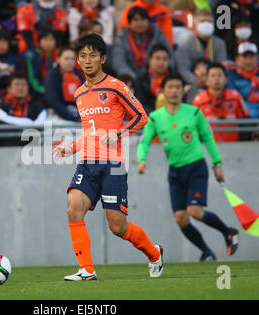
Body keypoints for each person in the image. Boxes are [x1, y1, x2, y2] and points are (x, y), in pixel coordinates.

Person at [52, 33, 163, 281]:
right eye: (83, 56)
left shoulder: (116, 87)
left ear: (103, 58)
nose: (87, 60)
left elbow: (142, 117)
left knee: (117, 227)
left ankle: (154, 253)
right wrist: (69, 148)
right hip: (88, 163)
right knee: (73, 208)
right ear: (78, 62)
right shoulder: (79, 93)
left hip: (113, 165)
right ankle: (87, 270)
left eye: (92, 55)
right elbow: (88, 132)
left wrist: (119, 132)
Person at [136, 73, 239, 262]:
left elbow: (207, 137)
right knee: (181, 218)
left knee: (194, 211)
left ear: (182, 91)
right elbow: (145, 142)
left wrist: (218, 164)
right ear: (163, 91)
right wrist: (141, 160)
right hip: (175, 172)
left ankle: (228, 232)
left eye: (177, 87)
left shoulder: (193, 112)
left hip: (195, 168)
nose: (174, 91)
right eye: (170, 87)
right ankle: (207, 251)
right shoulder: (155, 118)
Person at [192, 62, 250, 142]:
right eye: (213, 76)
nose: (216, 79)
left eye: (219, 75)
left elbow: (246, 122)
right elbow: (194, 126)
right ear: (207, 80)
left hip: (234, 146)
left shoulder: (235, 97)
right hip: (208, 148)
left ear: (226, 79)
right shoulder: (199, 100)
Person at [112, 6, 171, 82]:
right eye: (136, 20)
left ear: (148, 21)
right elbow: (119, 62)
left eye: (143, 20)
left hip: (156, 77)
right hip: (131, 79)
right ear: (130, 23)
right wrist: (132, 78)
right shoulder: (122, 37)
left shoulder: (157, 35)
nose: (140, 23)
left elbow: (170, 55)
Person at [175, 9, 227, 85]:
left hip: (216, 83)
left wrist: (214, 81)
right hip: (193, 83)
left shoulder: (220, 43)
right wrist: (197, 81)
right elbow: (183, 69)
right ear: (195, 24)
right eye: (202, 21)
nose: (206, 24)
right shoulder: (185, 43)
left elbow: (222, 66)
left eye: (209, 22)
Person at [226, 42, 259, 118]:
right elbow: (235, 100)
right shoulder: (232, 77)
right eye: (245, 57)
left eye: (251, 57)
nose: (248, 61)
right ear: (237, 59)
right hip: (248, 116)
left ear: (257, 58)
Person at [0, 73, 47, 145]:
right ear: (9, 89)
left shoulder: (37, 106)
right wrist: (27, 123)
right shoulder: (1, 106)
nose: (20, 87)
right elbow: (2, 118)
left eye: (23, 84)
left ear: (28, 88)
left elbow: (39, 124)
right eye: (17, 84)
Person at [44, 47, 84, 122]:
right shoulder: (53, 75)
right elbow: (52, 100)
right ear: (58, 59)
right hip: (57, 113)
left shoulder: (79, 75)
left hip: (77, 113)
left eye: (72, 59)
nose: (70, 62)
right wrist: (72, 118)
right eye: (66, 59)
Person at [18, 28, 59, 98]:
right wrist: (44, 90)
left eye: (51, 39)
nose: (49, 43)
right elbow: (32, 78)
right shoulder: (34, 57)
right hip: (40, 91)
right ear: (39, 42)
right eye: (45, 39)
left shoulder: (60, 56)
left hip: (58, 91)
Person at [135, 43, 171, 114]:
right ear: (150, 60)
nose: (161, 62)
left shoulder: (175, 79)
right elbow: (139, 103)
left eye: (165, 59)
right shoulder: (140, 80)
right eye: (157, 58)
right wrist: (155, 116)